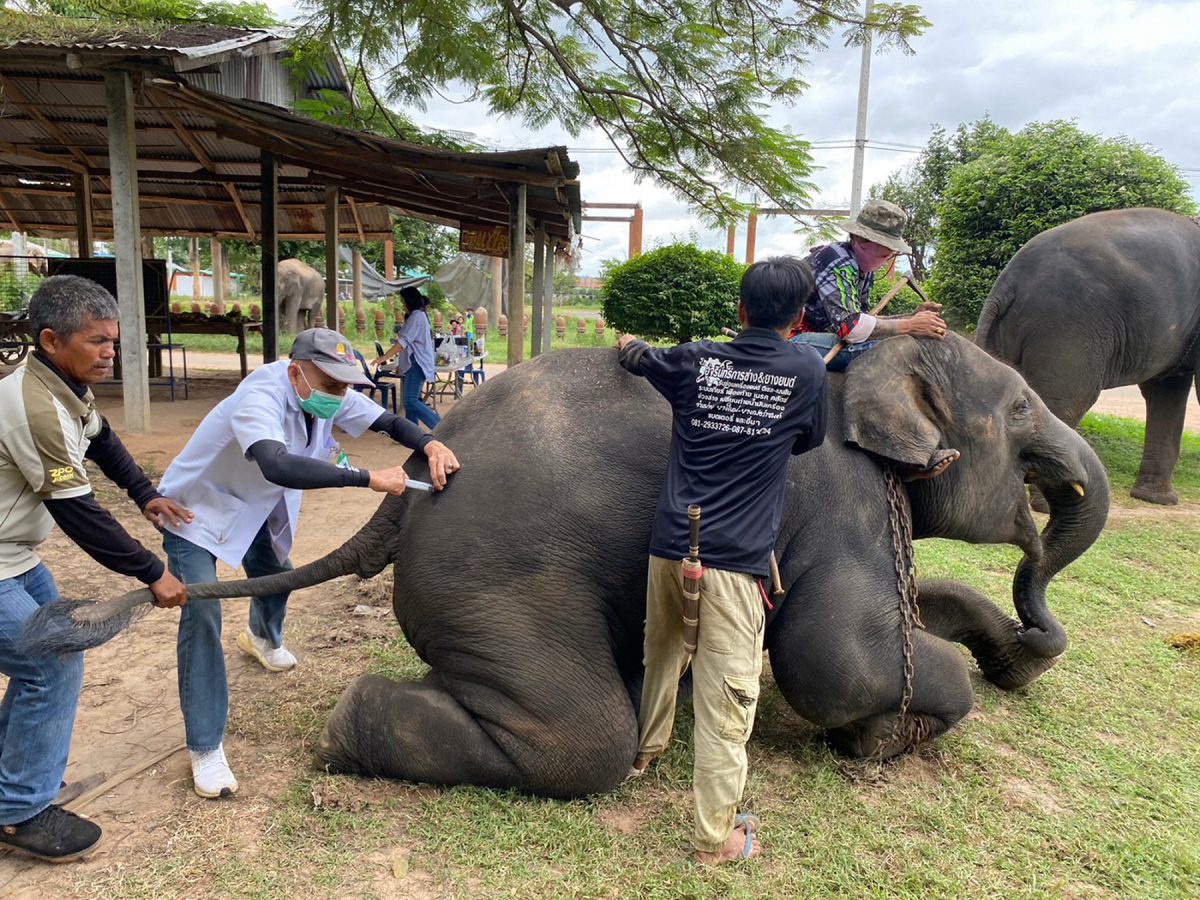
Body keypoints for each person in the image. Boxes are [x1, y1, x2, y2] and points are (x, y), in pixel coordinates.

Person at [157, 327, 460, 799]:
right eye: (332, 385)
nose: (340, 395)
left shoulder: (328, 392)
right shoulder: (260, 394)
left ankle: (261, 637)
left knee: (278, 576)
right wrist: (365, 477)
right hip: (197, 509)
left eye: (345, 386)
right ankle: (205, 746)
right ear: (296, 371)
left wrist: (430, 444)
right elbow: (277, 464)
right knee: (202, 614)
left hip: (256, 507)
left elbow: (388, 422)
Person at [617, 257, 827, 866]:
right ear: (799, 319)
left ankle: (645, 751)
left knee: (660, 652)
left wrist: (628, 341)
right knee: (727, 696)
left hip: (668, 546)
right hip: (737, 564)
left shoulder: (696, 359)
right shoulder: (807, 369)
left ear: (740, 310)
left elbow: (639, 356)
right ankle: (716, 838)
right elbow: (809, 439)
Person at [0, 275, 189, 862]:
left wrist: (144, 493)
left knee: (48, 663)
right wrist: (152, 571)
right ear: (51, 340)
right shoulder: (32, 407)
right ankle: (18, 813)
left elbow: (102, 440)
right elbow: (79, 514)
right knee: (48, 668)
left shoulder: (64, 387)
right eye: (97, 342)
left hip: (16, 556)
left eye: (114, 341)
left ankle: (10, 783)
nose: (110, 353)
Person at [793, 198, 947, 372]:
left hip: (812, 334)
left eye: (890, 255)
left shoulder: (863, 268)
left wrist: (909, 318)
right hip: (787, 339)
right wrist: (909, 325)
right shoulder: (839, 263)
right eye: (884, 255)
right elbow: (851, 328)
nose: (887, 260)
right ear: (860, 241)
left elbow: (865, 320)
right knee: (889, 349)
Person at [375, 287, 440, 429]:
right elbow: (409, 345)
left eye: (403, 301)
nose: (403, 304)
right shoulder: (417, 317)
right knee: (411, 402)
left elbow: (403, 343)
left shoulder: (417, 317)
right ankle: (412, 432)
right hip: (414, 363)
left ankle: (440, 426)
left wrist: (384, 356)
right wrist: (402, 364)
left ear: (409, 301)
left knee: (410, 401)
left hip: (417, 364)